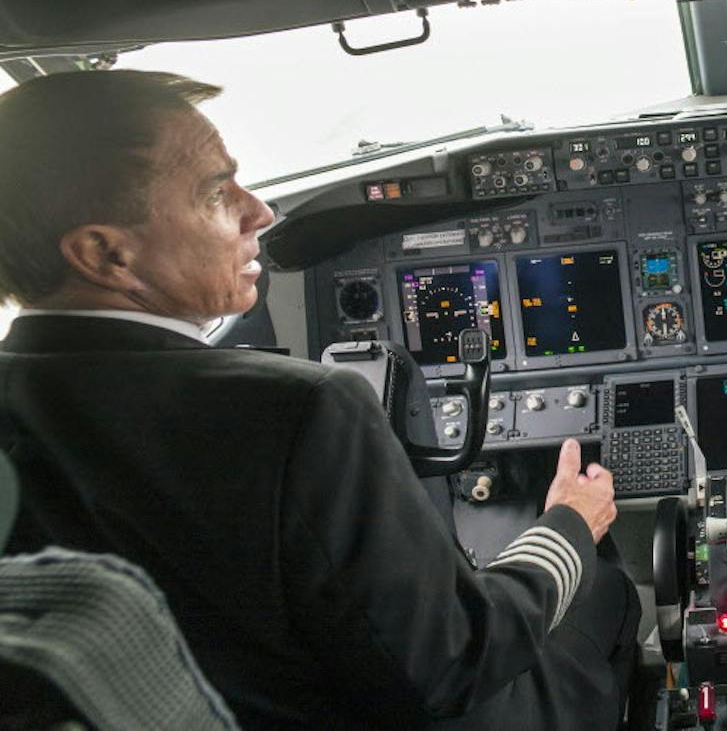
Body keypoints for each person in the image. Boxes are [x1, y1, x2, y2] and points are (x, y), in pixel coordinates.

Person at [0, 71, 640, 729]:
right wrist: (567, 524)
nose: (261, 213)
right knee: (603, 586)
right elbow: (458, 663)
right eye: (217, 193)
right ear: (105, 253)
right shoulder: (296, 410)